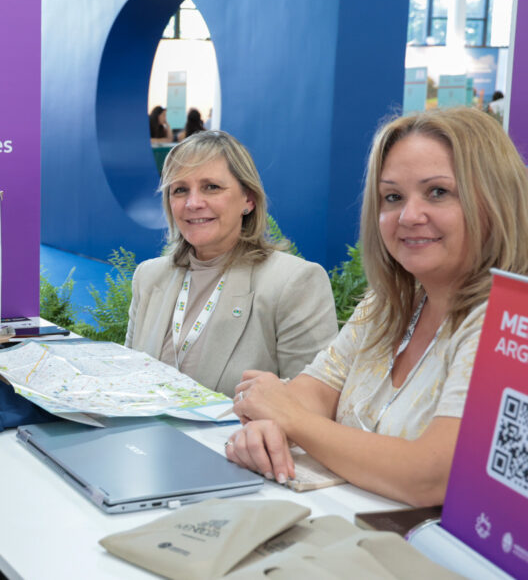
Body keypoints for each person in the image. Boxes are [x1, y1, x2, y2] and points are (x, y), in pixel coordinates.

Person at [225, 108, 528, 506]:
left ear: (495, 199)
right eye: (392, 197)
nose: (409, 215)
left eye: (438, 192)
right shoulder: (389, 304)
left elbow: (429, 477)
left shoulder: (509, 322)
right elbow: (315, 391)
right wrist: (267, 425)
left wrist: (288, 419)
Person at [125, 130, 338, 396]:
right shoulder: (148, 277)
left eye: (211, 187)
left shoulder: (294, 283)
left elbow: (312, 405)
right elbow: (129, 381)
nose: (193, 203)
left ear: (248, 199)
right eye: (180, 190)